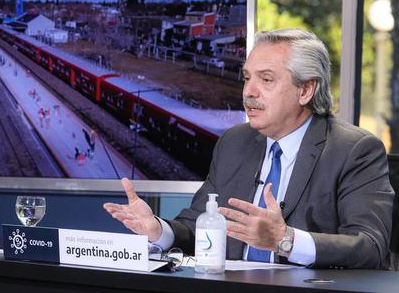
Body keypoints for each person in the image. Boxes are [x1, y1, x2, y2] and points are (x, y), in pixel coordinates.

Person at [103, 28, 394, 270]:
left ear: (306, 90)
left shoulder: (354, 150)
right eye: (247, 78)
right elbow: (197, 228)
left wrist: (285, 239)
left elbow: (370, 246)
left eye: (266, 80)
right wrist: (158, 230)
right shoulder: (234, 142)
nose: (248, 92)